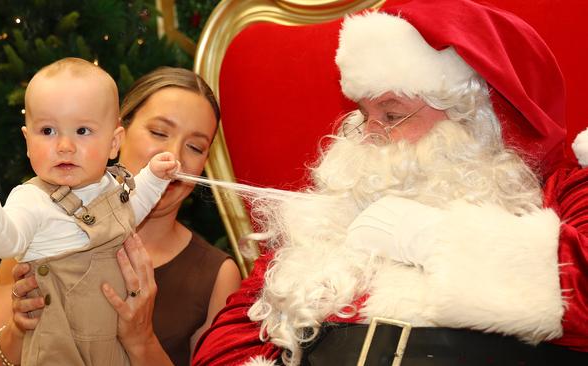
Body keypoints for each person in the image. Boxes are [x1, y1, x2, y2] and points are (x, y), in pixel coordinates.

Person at [192, 1, 588, 365]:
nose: (369, 135)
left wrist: (432, 239)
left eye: (393, 115)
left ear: (474, 119)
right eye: (365, 115)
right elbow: (223, 345)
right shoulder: (330, 215)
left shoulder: (559, 192)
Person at [0, 67, 242, 366]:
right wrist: (19, 333)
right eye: (159, 132)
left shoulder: (216, 275)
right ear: (118, 135)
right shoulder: (40, 225)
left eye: (195, 147)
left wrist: (142, 340)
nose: (174, 155)